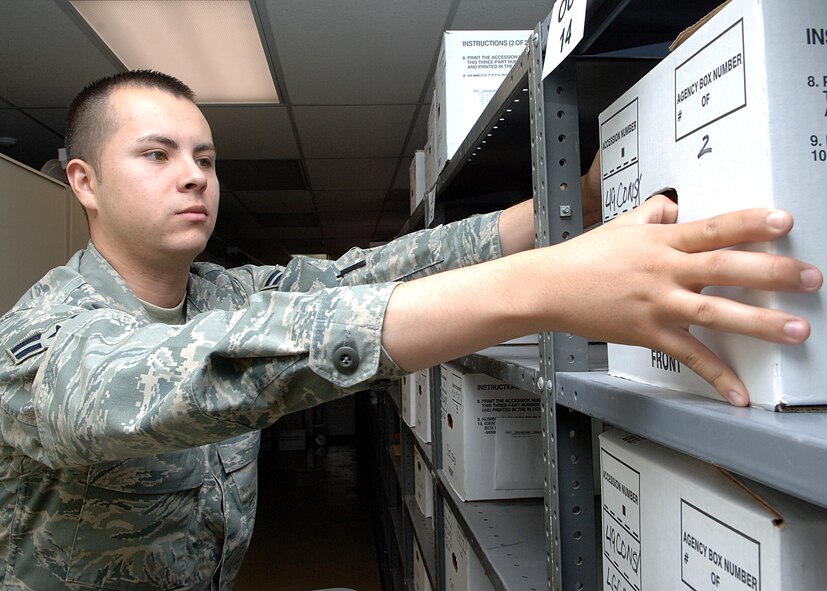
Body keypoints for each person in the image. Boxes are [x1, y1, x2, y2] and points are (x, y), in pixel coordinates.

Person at [0, 70, 820, 590]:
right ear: (86, 181)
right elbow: (144, 386)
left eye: (206, 158)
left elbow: (373, 273)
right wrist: (545, 288)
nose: (194, 175)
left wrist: (565, 213)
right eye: (158, 154)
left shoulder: (225, 292)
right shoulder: (41, 336)